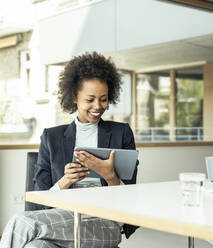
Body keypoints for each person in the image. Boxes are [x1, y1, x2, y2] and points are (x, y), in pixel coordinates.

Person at [0, 52, 138, 248]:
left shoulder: (121, 133)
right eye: (90, 99)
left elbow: (132, 199)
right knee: (35, 246)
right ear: (75, 96)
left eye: (104, 99)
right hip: (61, 219)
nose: (98, 106)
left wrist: (110, 176)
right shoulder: (52, 138)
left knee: (22, 222)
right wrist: (66, 180)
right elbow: (38, 203)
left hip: (105, 224)